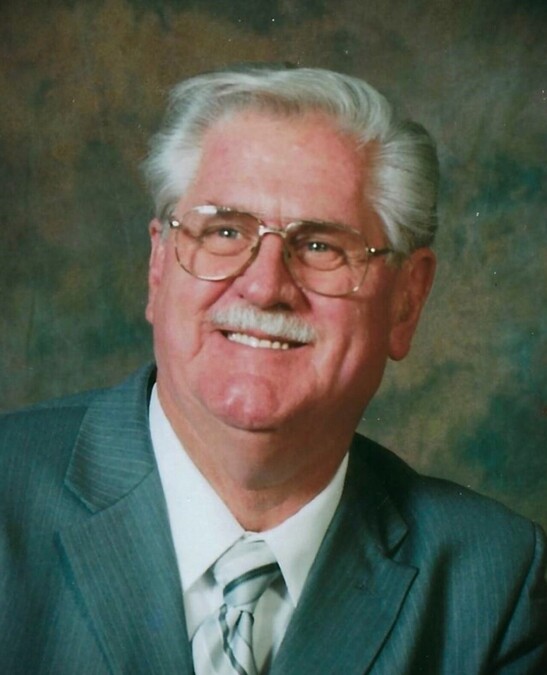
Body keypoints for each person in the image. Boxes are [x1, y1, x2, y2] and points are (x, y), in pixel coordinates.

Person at [1, 65, 545, 675]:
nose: (264, 287)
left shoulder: (491, 585)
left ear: (406, 301)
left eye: (320, 246)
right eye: (224, 231)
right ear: (158, 266)